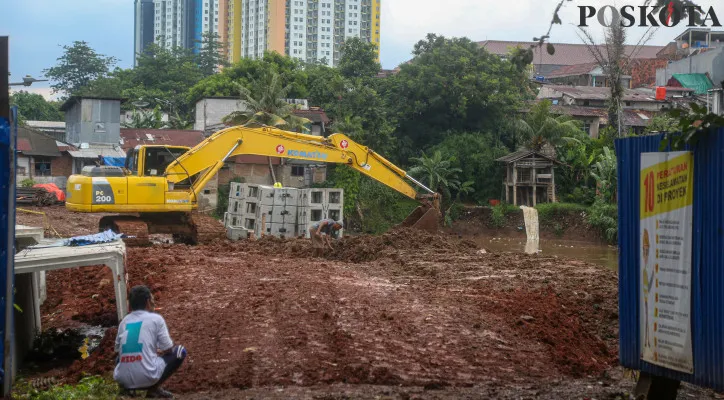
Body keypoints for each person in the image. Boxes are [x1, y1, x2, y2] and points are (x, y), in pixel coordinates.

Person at [114, 285, 187, 398]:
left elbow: (118, 350)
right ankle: (153, 388)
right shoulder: (156, 319)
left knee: (120, 357)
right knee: (179, 351)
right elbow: (167, 349)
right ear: (148, 302)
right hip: (147, 377)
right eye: (152, 299)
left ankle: (128, 390)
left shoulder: (124, 321)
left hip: (123, 379)